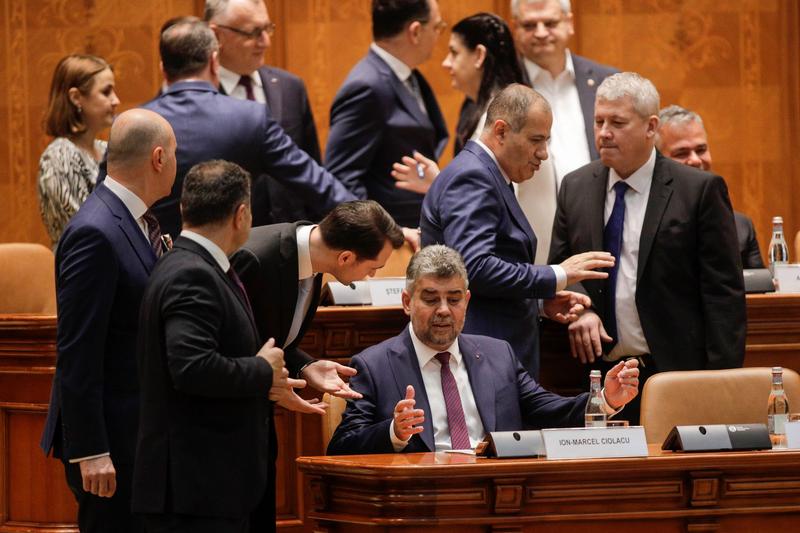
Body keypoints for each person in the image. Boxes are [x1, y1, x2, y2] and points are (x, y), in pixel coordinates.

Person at [549, 72, 746, 424]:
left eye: (617, 122)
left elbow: (723, 296)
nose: (604, 132)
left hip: (678, 374)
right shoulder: (575, 187)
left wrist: (722, 383)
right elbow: (562, 267)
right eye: (599, 121)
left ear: (650, 127)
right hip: (601, 378)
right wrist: (583, 310)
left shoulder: (698, 190)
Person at [133, 160, 312, 532]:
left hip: (205, 489)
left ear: (184, 209)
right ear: (242, 214)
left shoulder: (193, 265)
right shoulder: (191, 275)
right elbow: (192, 367)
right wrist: (263, 369)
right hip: (194, 494)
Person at [327, 245, 640, 455]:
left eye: (453, 298)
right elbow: (341, 447)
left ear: (467, 300)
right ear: (408, 302)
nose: (444, 310)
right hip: (421, 501)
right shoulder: (374, 365)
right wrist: (394, 431)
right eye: (431, 298)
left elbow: (547, 409)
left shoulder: (498, 354)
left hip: (496, 495)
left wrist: (604, 400)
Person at [40, 108, 177, 533]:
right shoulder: (96, 231)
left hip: (137, 434)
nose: (177, 161)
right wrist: (91, 450)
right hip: (110, 444)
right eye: (175, 153)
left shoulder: (135, 221)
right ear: (158, 158)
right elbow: (78, 351)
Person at [229, 199, 404, 532]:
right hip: (225, 429)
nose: (372, 277)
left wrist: (305, 366)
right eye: (373, 268)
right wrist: (268, 382)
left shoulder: (313, 260)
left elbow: (273, 338)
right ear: (346, 258)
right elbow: (227, 342)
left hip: (257, 427)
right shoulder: (255, 258)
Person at [421, 84, 614, 379]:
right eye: (536, 140)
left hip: (491, 352)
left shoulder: (487, 174)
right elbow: (473, 267)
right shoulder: (474, 176)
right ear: (500, 131)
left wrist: (539, 303)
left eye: (547, 141)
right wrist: (557, 275)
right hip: (481, 359)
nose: (544, 154)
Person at [125, 17, 355, 237]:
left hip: (152, 267)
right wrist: (369, 223)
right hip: (231, 267)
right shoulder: (251, 117)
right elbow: (315, 182)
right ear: (214, 62)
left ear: (163, 69)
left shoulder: (131, 125)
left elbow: (109, 204)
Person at [324, 0, 449, 228]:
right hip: (392, 243)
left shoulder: (408, 75)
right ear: (416, 31)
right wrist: (382, 235)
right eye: (437, 27)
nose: (438, 36)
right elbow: (341, 179)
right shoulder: (367, 86)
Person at [511, 0, 619, 261]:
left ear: (569, 23)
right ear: (514, 28)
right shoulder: (501, 86)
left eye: (549, 23)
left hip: (599, 230)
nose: (540, 32)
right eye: (529, 25)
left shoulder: (606, 81)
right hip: (530, 241)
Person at [205, 0, 323, 225]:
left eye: (267, 29)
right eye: (254, 32)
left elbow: (313, 169)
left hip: (293, 236)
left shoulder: (291, 87)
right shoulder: (202, 99)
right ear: (216, 35)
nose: (266, 42)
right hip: (230, 240)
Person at [390, 12, 526, 193]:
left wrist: (438, 183)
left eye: (454, 53)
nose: (446, 63)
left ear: (479, 55)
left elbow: (489, 198)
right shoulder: (480, 108)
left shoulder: (500, 118)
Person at [655, 104, 764, 269]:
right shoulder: (644, 224)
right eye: (681, 153)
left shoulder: (740, 226)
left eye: (701, 150)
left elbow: (760, 287)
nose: (696, 160)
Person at [38, 54, 120, 248]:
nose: (116, 100)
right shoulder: (59, 157)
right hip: (82, 268)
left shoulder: (106, 148)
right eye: (106, 92)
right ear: (76, 97)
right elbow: (84, 231)